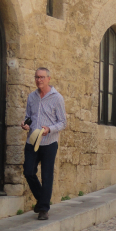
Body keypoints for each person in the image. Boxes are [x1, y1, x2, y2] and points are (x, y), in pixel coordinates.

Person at [21, 67, 67, 220]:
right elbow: (28, 117)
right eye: (36, 77)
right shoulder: (31, 97)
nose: (39, 80)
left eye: (42, 77)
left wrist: (50, 129)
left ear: (48, 78)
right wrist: (25, 124)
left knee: (47, 176)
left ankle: (43, 209)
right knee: (28, 171)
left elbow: (62, 123)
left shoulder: (57, 98)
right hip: (32, 140)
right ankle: (43, 200)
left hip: (49, 142)